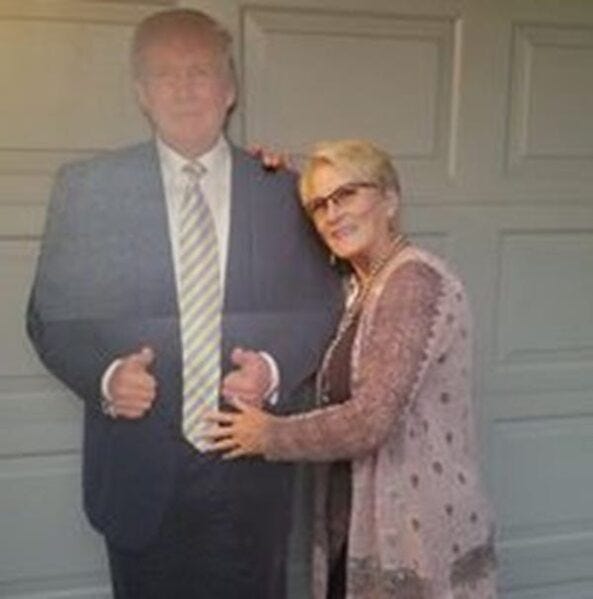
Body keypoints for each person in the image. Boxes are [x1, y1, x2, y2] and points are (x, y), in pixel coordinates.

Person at [26, 8, 340, 599]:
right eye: (165, 75)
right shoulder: (89, 189)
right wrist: (107, 375)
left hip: (253, 469)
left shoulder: (282, 190)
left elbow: (320, 304)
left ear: (230, 89)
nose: (185, 89)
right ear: (142, 93)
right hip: (138, 474)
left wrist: (273, 370)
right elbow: (50, 316)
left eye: (200, 72)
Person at [206, 139, 498, 599]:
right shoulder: (358, 286)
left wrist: (269, 436)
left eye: (346, 195)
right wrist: (274, 181)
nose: (332, 214)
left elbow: (370, 420)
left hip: (415, 530)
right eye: (319, 205)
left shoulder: (412, 283)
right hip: (358, 519)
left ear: (390, 199)